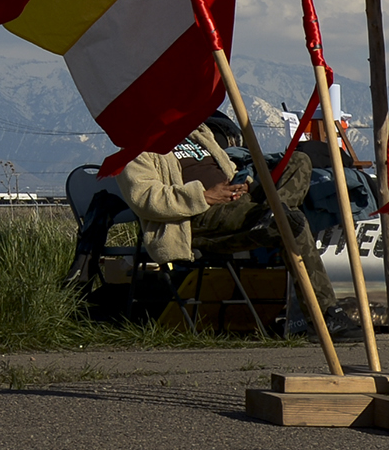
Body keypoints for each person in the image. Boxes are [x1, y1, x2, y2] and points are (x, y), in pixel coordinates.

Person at [115, 116, 335, 325]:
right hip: (198, 216)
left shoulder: (197, 133)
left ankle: (274, 215)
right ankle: (325, 317)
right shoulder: (137, 147)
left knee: (298, 160)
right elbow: (145, 198)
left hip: (238, 201)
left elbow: (229, 170)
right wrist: (204, 196)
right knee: (291, 223)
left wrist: (246, 184)